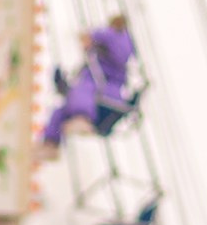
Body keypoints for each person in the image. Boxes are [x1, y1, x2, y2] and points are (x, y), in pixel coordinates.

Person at [41, 13, 136, 148]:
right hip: (98, 89)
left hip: (105, 89)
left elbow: (95, 37)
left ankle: (82, 118)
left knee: (82, 92)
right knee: (61, 110)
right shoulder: (98, 58)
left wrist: (88, 38)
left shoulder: (114, 38)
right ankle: (50, 141)